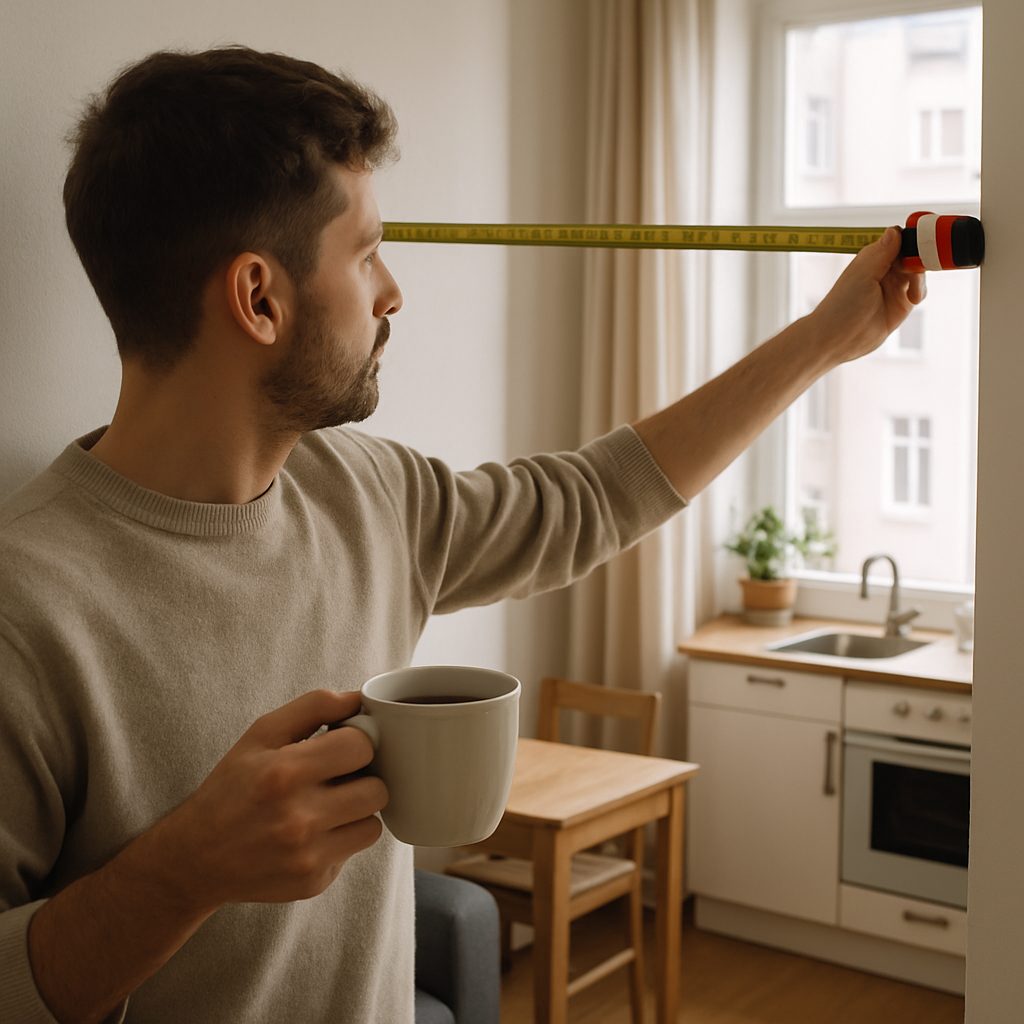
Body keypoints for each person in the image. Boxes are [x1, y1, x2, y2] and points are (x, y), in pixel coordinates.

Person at [0, 46, 925, 1024]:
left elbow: (590, 501)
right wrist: (183, 871)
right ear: (259, 297)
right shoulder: (29, 604)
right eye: (365, 255)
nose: (392, 292)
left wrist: (828, 336)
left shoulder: (366, 490)